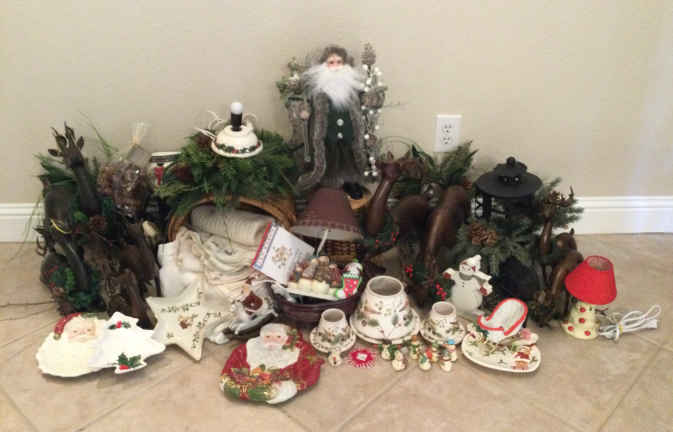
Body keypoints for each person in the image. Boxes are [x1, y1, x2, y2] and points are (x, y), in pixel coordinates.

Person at [299, 45, 368, 199]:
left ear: (345, 64)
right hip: (328, 132)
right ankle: (330, 184)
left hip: (349, 131)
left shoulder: (352, 87)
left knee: (349, 156)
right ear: (324, 65)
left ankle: (351, 181)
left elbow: (364, 97)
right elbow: (306, 102)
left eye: (339, 62)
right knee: (330, 157)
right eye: (331, 62)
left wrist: (370, 99)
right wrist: (304, 110)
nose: (336, 66)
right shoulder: (317, 88)